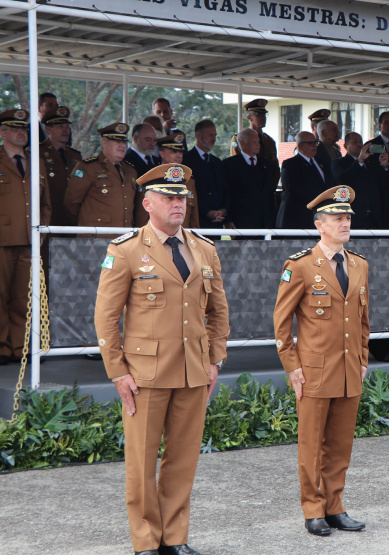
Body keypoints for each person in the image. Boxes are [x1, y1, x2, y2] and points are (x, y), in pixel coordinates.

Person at [95, 163, 229, 555]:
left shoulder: (203, 248)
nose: (178, 204)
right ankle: (146, 541)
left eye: (182, 197)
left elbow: (218, 311)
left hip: (193, 371)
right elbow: (106, 317)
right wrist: (118, 372)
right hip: (145, 374)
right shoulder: (127, 250)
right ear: (147, 202)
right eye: (169, 198)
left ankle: (175, 537)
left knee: (183, 460)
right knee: (141, 462)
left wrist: (215, 359)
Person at [273, 185, 370, 536]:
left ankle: (335, 506)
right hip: (313, 370)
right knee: (312, 444)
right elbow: (282, 321)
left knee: (341, 443)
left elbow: (363, 320)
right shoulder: (299, 266)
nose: (345, 224)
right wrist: (291, 365)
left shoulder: (359, 265)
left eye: (347, 218)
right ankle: (313, 509)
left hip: (348, 370)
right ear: (319, 224)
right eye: (337, 218)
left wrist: (362, 358)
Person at [0, 109, 51, 366]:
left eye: (25, 129)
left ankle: (22, 346)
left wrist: (42, 228)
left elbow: (45, 203)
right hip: (2, 239)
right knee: (0, 294)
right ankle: (2, 346)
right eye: (15, 129)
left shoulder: (36, 161)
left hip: (30, 240)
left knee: (25, 295)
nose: (22, 133)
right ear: (3, 133)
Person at [65, 122, 138, 234]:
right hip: (96, 238)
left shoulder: (131, 171)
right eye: (117, 141)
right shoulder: (88, 167)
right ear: (104, 143)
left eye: (124, 142)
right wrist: (86, 225)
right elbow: (71, 204)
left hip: (124, 238)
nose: (122, 145)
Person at [135, 134, 200, 229]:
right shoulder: (151, 179)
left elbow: (194, 217)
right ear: (161, 153)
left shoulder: (189, 181)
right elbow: (142, 218)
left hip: (182, 238)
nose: (179, 155)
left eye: (181, 152)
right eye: (174, 151)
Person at [276, 131, 334, 230]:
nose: (315, 146)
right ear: (300, 146)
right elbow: (293, 189)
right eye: (311, 143)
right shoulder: (290, 164)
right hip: (298, 217)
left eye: (316, 142)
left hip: (320, 216)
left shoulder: (322, 163)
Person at [222, 128, 276, 230]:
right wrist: (228, 220)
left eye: (258, 142)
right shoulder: (229, 165)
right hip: (241, 221)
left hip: (265, 222)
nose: (257, 144)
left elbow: (269, 193)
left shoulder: (266, 164)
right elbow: (226, 193)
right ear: (242, 143)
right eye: (254, 142)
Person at [331, 131, 387, 228]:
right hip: (354, 217)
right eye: (355, 142)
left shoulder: (371, 163)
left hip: (374, 218)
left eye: (360, 141)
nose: (359, 144)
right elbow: (342, 179)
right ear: (345, 146)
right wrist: (359, 161)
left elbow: (382, 184)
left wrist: (384, 166)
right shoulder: (339, 163)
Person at [38, 105, 81, 227]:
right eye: (60, 126)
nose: (65, 130)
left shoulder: (75, 156)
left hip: (71, 218)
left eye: (67, 127)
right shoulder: (37, 153)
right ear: (48, 129)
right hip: (48, 218)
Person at [184, 120, 228, 228]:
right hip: (197, 222)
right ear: (198, 135)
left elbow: (225, 190)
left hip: (217, 223)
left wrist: (223, 210)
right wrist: (206, 212)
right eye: (210, 135)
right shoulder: (186, 161)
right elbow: (188, 192)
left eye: (215, 135)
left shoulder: (217, 162)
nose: (214, 139)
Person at [230, 99, 279, 187]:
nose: (263, 117)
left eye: (264, 114)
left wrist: (270, 188)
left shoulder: (269, 141)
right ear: (249, 117)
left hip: (266, 190)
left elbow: (275, 169)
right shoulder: (238, 139)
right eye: (259, 114)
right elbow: (236, 165)